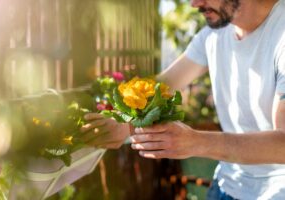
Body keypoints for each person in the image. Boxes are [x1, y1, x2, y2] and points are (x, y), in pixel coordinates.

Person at [83, 0, 285, 199]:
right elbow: (165, 84)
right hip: (229, 183)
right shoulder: (214, 35)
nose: (195, 4)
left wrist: (196, 142)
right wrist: (123, 119)